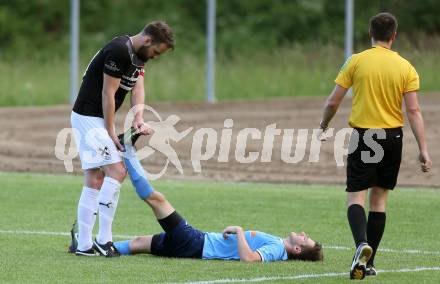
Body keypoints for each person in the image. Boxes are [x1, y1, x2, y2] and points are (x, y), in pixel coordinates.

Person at [70, 133, 323, 262]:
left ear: (298, 248)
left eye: (305, 238)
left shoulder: (278, 249)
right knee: (137, 243)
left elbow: (249, 260)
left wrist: (239, 229)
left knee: (157, 199)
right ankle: (92, 248)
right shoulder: (279, 245)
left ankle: (128, 152)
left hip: (195, 243)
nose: (302, 233)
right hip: (193, 246)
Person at [318, 12, 432, 279]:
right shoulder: (406, 67)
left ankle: (361, 246)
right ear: (394, 35)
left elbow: (333, 102)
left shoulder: (356, 61)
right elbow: (414, 111)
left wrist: (323, 125)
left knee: (356, 196)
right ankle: (368, 264)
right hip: (393, 138)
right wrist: (424, 149)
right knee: (379, 200)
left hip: (364, 136)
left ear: (370, 33)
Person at [70, 21, 175, 257]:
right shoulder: (119, 50)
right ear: (148, 41)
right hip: (88, 117)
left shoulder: (139, 57)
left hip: (94, 119)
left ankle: (85, 245)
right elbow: (108, 93)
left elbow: (137, 88)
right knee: (117, 171)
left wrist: (138, 117)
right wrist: (109, 130)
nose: (156, 57)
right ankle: (103, 241)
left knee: (95, 178)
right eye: (157, 51)